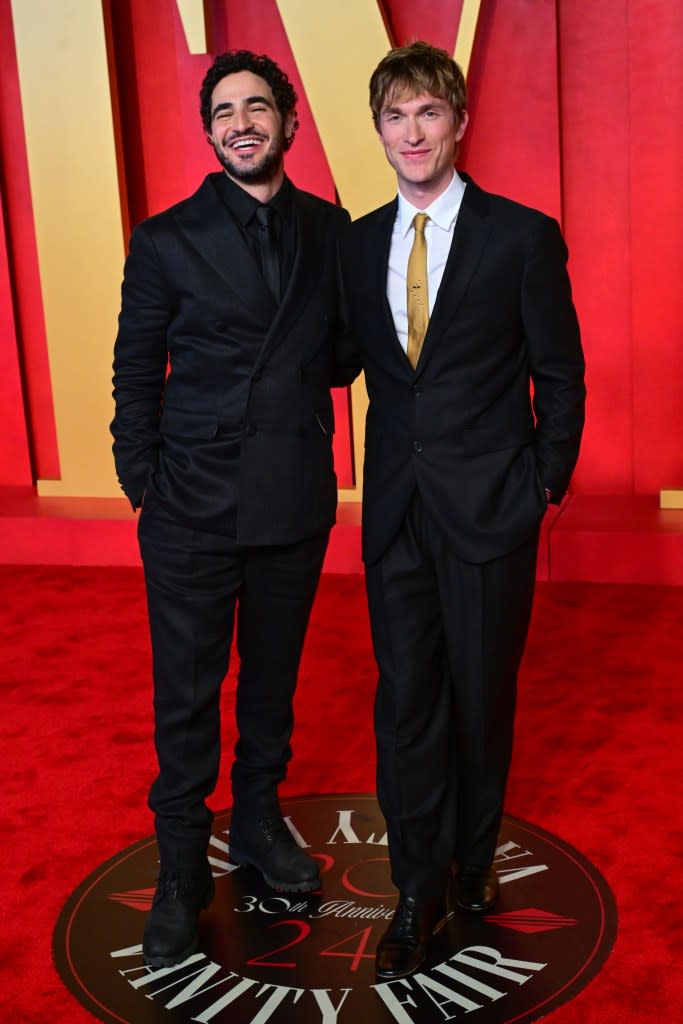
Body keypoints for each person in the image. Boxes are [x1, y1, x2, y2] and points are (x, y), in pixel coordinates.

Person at [343, 41, 586, 980]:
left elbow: (558, 374)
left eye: (428, 114)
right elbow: (340, 358)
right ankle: (415, 888)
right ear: (379, 131)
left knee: (480, 700)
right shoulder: (356, 241)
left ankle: (473, 860)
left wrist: (541, 487)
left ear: (458, 123)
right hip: (397, 512)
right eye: (395, 117)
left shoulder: (520, 236)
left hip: (492, 510)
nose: (412, 132)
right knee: (406, 701)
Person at [111, 49, 354, 968]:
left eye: (258, 106)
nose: (241, 122)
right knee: (185, 698)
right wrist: (146, 482)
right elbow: (135, 373)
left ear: (290, 122)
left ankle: (257, 823)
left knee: (270, 686)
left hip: (292, 495)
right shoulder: (166, 238)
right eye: (224, 111)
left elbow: (340, 356)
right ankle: (181, 870)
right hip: (191, 507)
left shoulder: (331, 231)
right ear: (208, 130)